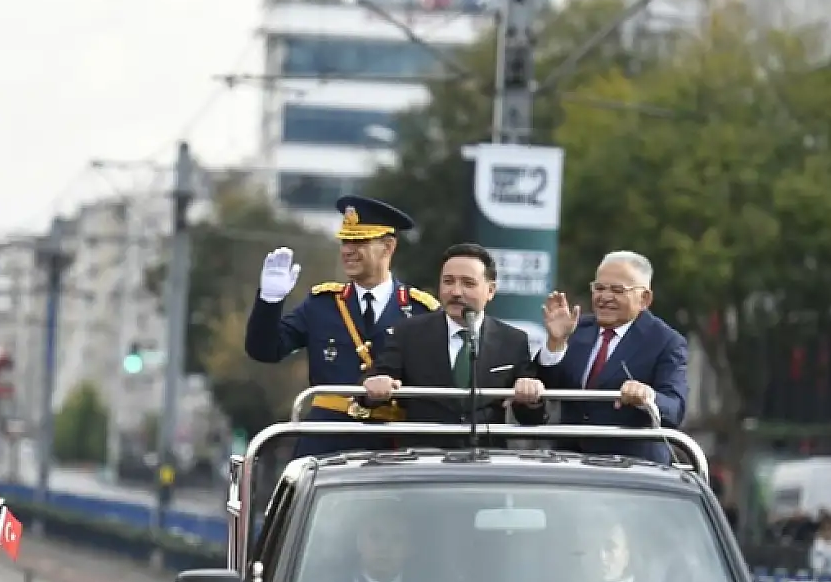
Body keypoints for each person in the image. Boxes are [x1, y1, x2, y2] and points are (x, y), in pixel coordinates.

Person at [244, 195, 439, 456]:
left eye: (359, 241)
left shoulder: (420, 310)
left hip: (392, 445)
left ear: (388, 247)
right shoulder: (322, 304)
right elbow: (265, 350)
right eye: (345, 241)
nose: (348, 250)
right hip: (326, 443)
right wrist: (270, 301)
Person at [360, 243, 545, 433]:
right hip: (425, 454)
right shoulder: (408, 333)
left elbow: (530, 417)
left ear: (491, 290)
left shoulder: (513, 341)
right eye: (448, 281)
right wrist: (375, 386)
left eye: (468, 283)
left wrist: (530, 398)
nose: (456, 292)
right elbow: (372, 386)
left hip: (486, 455)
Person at [537, 250, 689, 465]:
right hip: (570, 466)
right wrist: (555, 344)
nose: (605, 297)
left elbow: (674, 409)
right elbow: (544, 392)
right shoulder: (576, 328)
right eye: (599, 288)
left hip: (630, 471)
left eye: (617, 290)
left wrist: (647, 397)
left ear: (644, 298)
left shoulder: (666, 342)